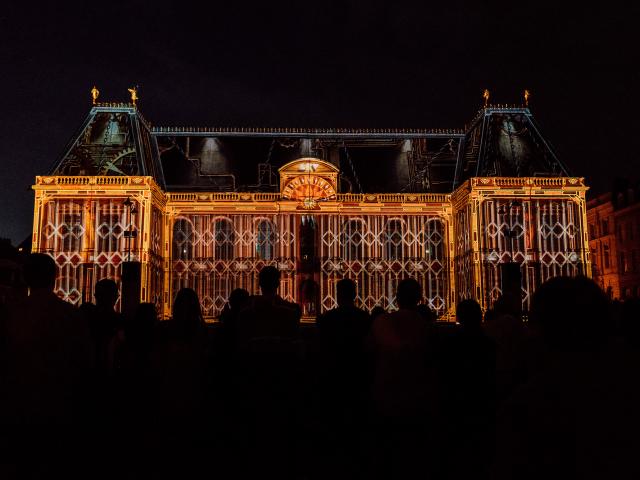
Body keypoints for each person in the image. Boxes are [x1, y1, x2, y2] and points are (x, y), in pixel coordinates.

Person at [1, 253, 93, 427]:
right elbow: (84, 361)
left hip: (18, 403)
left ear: (25, 278)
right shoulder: (71, 315)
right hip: (58, 402)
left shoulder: (9, 314)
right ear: (55, 278)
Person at [367, 278, 437, 478]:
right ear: (419, 298)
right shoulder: (428, 329)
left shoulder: (382, 323)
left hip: (387, 396)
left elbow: (369, 353)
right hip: (418, 399)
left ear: (396, 298)